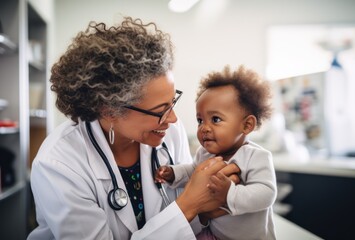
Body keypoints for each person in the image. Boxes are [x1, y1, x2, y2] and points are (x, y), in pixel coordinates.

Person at [27, 17, 240, 240]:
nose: (173, 118)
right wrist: (189, 204)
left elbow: (188, 227)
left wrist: (207, 207)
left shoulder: (169, 132)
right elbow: (185, 207)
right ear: (109, 111)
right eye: (160, 110)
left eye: (172, 102)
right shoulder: (59, 164)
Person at [155, 65, 277, 240]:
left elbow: (266, 194)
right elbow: (193, 172)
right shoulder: (204, 153)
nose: (204, 128)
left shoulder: (256, 157)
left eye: (215, 119)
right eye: (200, 120)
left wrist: (230, 194)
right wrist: (174, 173)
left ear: (246, 125)